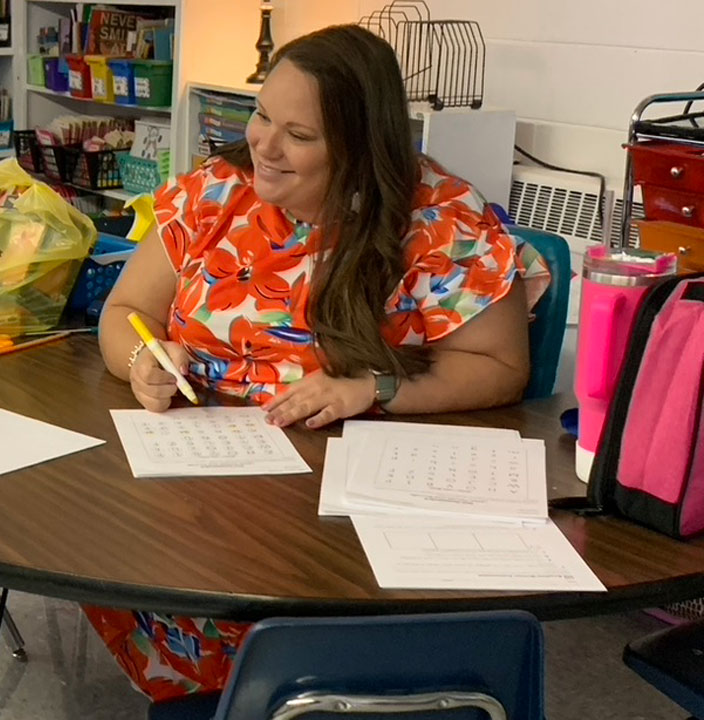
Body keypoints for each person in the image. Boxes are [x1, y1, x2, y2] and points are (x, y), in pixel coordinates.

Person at [87, 24, 551, 701]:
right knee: (116, 559)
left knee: (284, 640)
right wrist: (141, 359)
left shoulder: (441, 220)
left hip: (342, 519)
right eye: (263, 115)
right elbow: (125, 308)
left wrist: (373, 387)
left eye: (299, 136)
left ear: (362, 150)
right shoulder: (214, 193)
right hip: (197, 487)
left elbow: (498, 365)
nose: (263, 146)